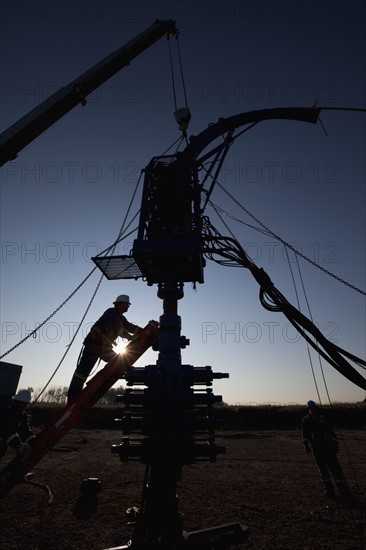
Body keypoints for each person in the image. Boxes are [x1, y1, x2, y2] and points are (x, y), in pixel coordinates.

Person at [67, 294, 144, 403]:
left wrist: (141, 331)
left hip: (101, 347)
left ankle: (74, 398)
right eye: (127, 305)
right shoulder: (111, 313)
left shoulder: (120, 317)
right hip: (94, 345)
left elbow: (129, 327)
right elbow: (120, 329)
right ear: (120, 304)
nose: (128, 307)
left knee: (116, 362)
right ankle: (72, 399)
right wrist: (131, 336)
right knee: (83, 373)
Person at [301, 400, 350, 498]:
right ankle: (329, 490)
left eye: (313, 408)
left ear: (316, 408)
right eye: (310, 409)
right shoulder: (306, 420)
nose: (312, 410)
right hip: (316, 448)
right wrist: (306, 444)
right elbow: (305, 434)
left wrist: (334, 444)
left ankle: (343, 490)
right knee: (323, 470)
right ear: (309, 410)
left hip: (328, 447)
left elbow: (331, 432)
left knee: (335, 468)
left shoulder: (323, 419)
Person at [0, 388, 35, 462]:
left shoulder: (21, 414)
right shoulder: (4, 409)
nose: (25, 406)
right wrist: (18, 444)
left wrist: (33, 441)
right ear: (17, 401)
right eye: (24, 403)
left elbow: (24, 430)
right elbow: (6, 428)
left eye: (26, 404)